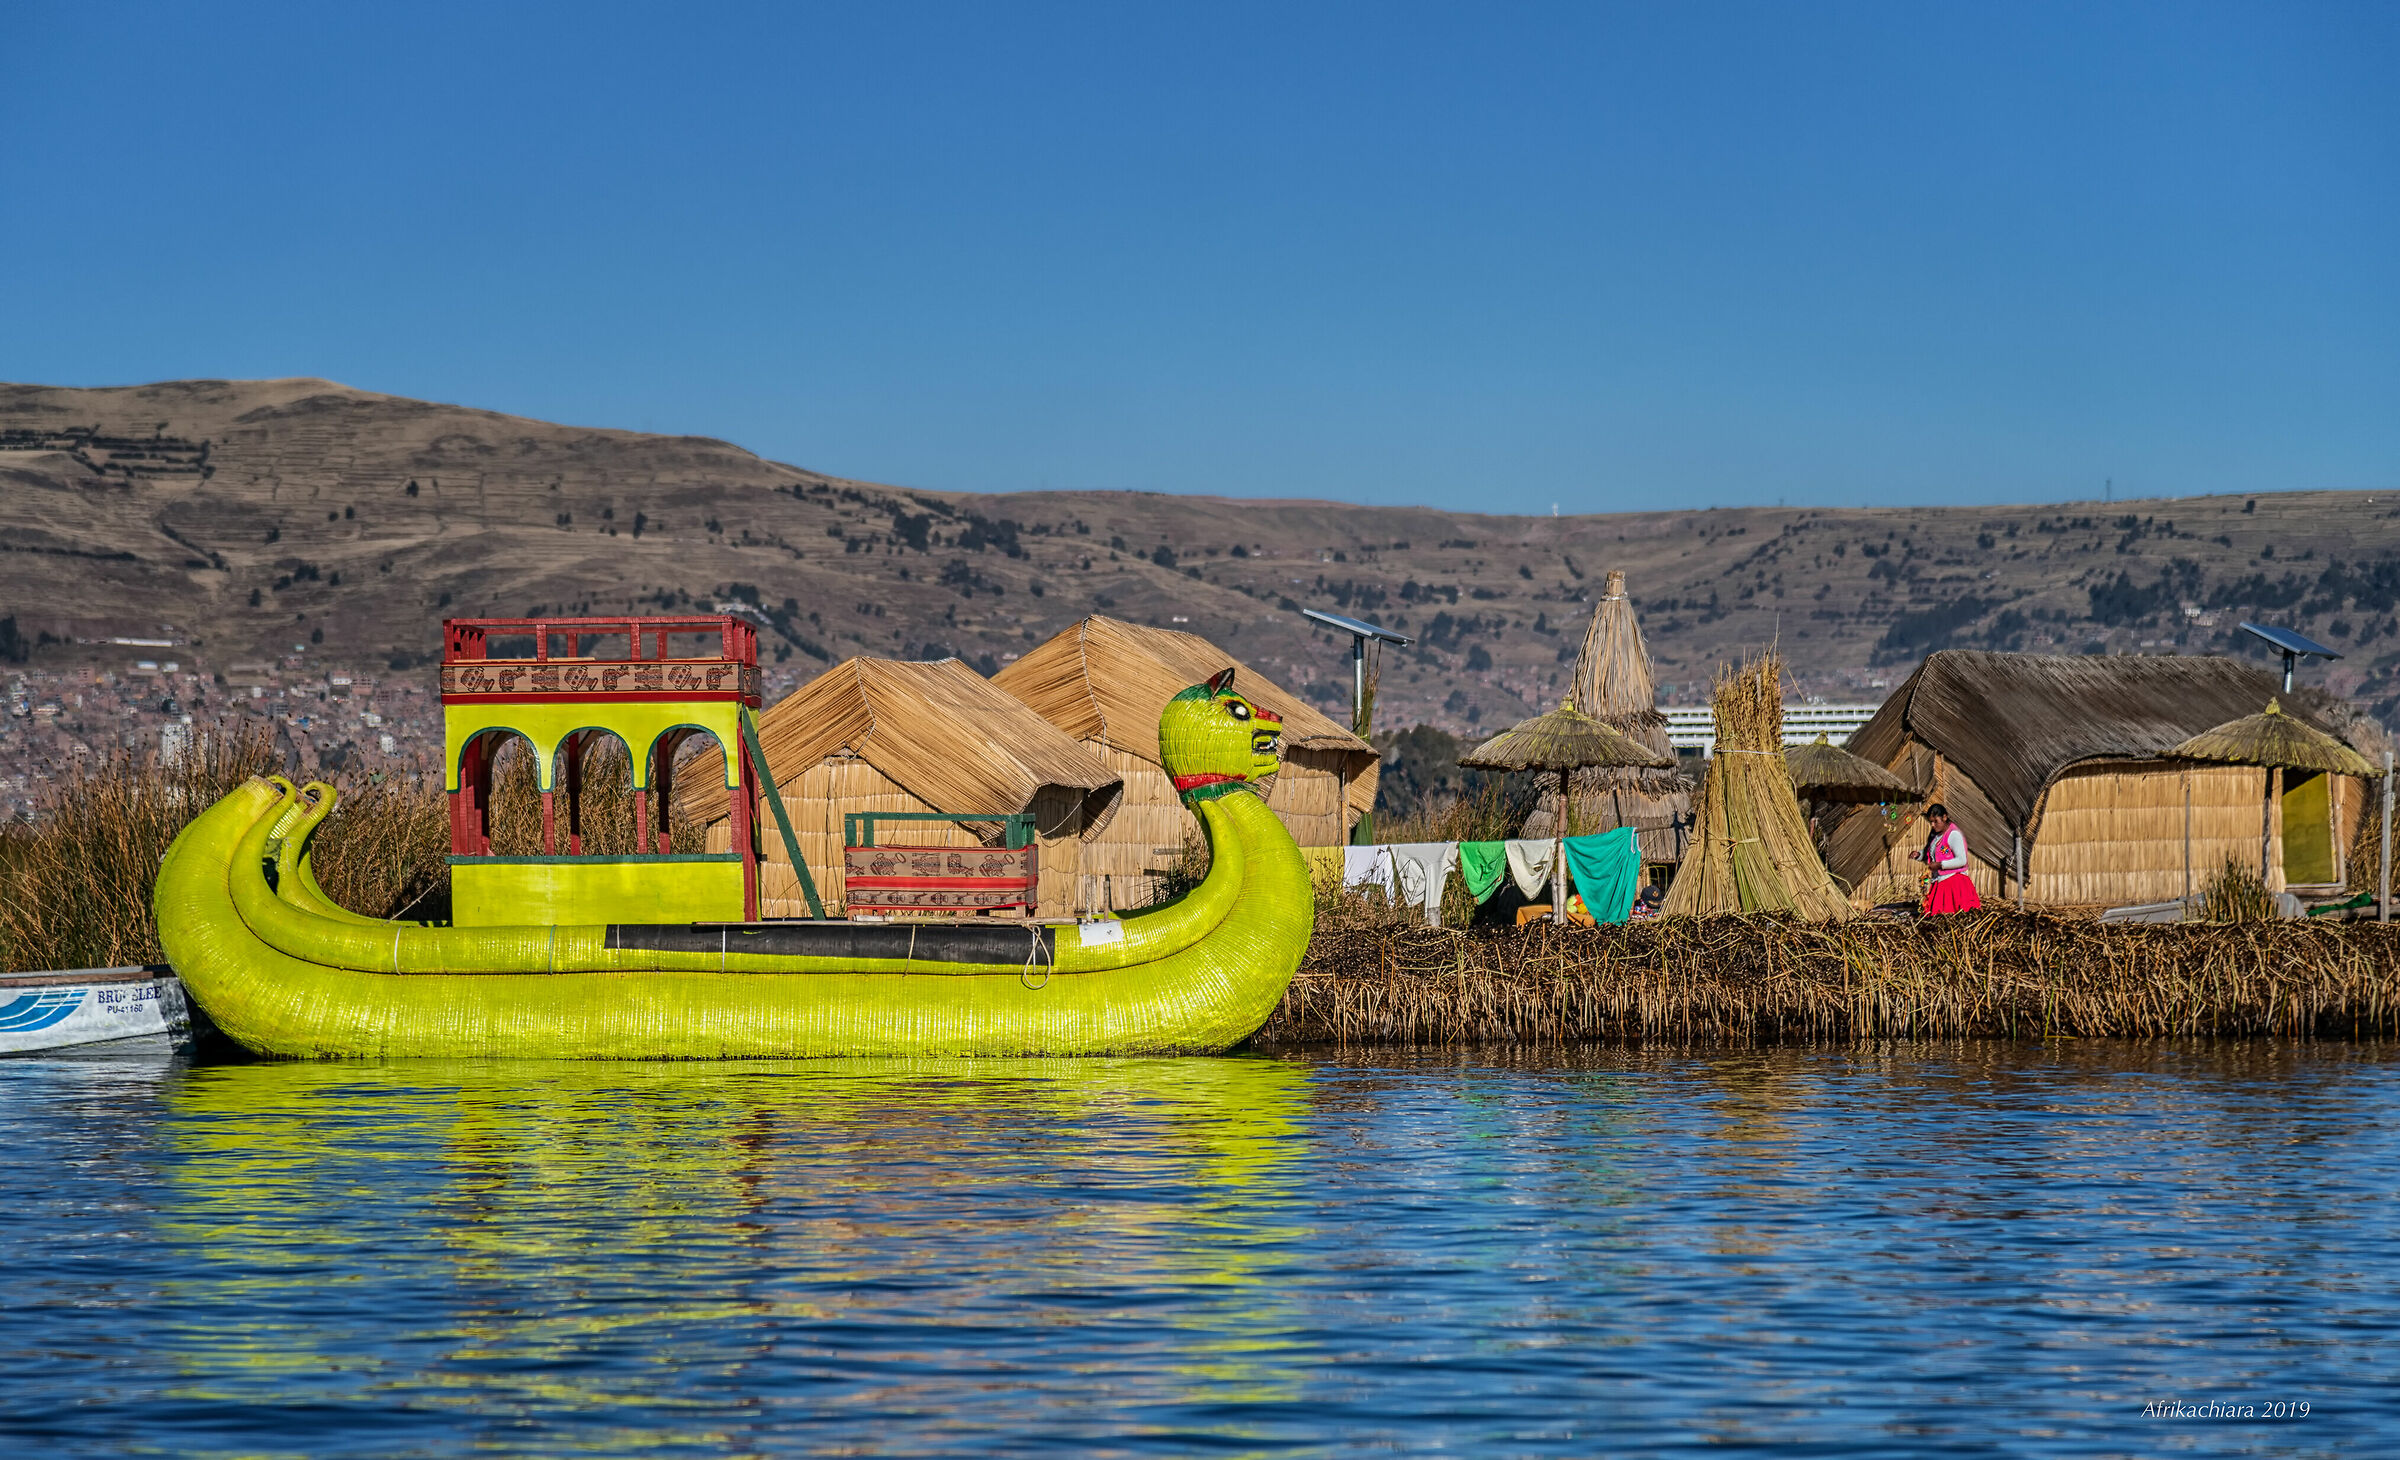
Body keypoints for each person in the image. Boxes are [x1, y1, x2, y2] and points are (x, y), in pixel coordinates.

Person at [1911, 802, 1982, 915]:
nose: (1933, 825)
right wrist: (1919, 855)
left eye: (1936, 821)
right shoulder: (1937, 836)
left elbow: (1962, 860)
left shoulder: (1954, 835)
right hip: (1941, 883)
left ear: (1944, 817)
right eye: (1931, 822)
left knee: (1953, 916)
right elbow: (1932, 853)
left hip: (1954, 885)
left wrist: (1939, 865)